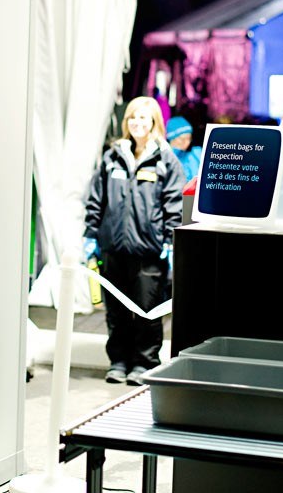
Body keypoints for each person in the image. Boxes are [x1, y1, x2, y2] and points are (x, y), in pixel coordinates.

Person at [82, 96, 184, 386]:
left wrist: (169, 241)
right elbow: (96, 200)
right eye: (133, 118)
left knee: (147, 310)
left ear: (154, 123)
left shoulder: (166, 161)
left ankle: (144, 363)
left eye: (144, 118)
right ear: (126, 122)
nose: (138, 123)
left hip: (149, 251)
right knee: (116, 311)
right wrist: (90, 235)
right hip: (113, 248)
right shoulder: (112, 156)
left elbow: (173, 204)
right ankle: (118, 361)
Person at [166, 115, 202, 182]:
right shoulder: (165, 158)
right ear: (171, 139)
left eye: (189, 138)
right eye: (182, 139)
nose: (187, 142)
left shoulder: (196, 154)